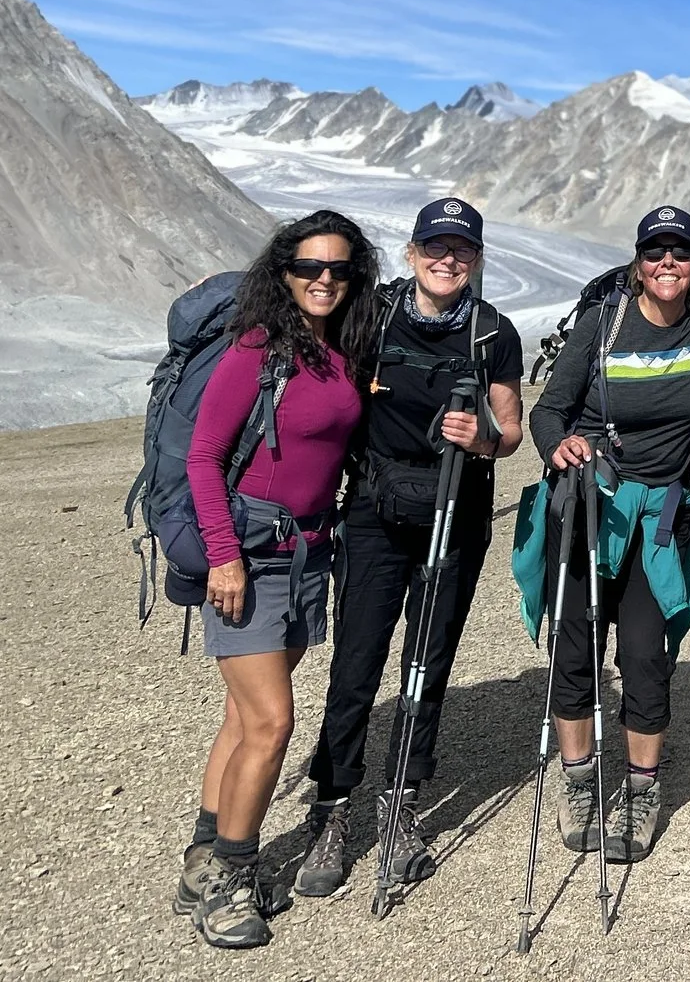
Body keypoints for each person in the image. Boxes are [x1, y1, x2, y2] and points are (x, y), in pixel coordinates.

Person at [294, 199, 525, 899]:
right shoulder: (374, 314)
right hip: (373, 511)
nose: (446, 258)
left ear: (477, 258)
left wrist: (480, 437)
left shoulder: (494, 333)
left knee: (427, 660)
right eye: (434, 246)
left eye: (460, 248)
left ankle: (402, 806)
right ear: (412, 250)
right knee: (356, 661)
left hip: (456, 510)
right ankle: (330, 809)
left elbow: (510, 430)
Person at [179, 210, 382, 950]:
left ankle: (202, 860)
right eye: (309, 267)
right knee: (271, 722)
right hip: (252, 555)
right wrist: (223, 555)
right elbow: (205, 456)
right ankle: (233, 876)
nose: (324, 279)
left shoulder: (339, 351)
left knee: (242, 718)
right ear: (284, 271)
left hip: (308, 551)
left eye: (339, 268)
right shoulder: (257, 348)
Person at [519, 204, 690, 866]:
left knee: (644, 654)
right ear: (639, 259)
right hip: (590, 504)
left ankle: (640, 790)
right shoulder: (603, 325)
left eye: (680, 253)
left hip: (657, 516)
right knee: (575, 648)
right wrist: (561, 445)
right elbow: (547, 410)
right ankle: (579, 781)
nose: (668, 263)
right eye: (655, 251)